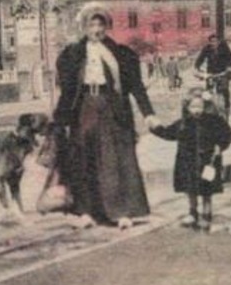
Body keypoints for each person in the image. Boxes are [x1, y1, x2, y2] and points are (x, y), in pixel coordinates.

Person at [53, 12, 160, 229]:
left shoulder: (121, 54)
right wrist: (60, 119)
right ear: (84, 27)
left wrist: (148, 113)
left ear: (106, 27)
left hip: (111, 107)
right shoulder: (72, 54)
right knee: (83, 158)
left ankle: (121, 212)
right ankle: (85, 211)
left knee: (114, 160)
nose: (96, 29)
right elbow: (66, 90)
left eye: (100, 24)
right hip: (84, 107)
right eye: (91, 25)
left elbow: (136, 87)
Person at [150, 91, 231, 229]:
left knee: (207, 189)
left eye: (199, 106)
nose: (196, 110)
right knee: (190, 189)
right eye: (193, 107)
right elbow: (168, 133)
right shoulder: (183, 123)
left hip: (208, 161)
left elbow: (226, 133)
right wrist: (155, 128)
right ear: (187, 108)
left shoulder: (213, 121)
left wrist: (221, 146)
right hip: (187, 162)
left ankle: (207, 213)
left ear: (205, 106)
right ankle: (192, 212)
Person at [193, 32, 231, 114]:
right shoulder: (207, 48)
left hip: (222, 72)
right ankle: (207, 110)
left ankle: (227, 108)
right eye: (211, 41)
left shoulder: (224, 48)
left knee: (224, 90)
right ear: (209, 42)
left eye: (215, 41)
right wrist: (197, 68)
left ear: (219, 41)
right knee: (208, 91)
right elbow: (200, 59)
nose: (213, 43)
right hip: (211, 73)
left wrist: (229, 68)